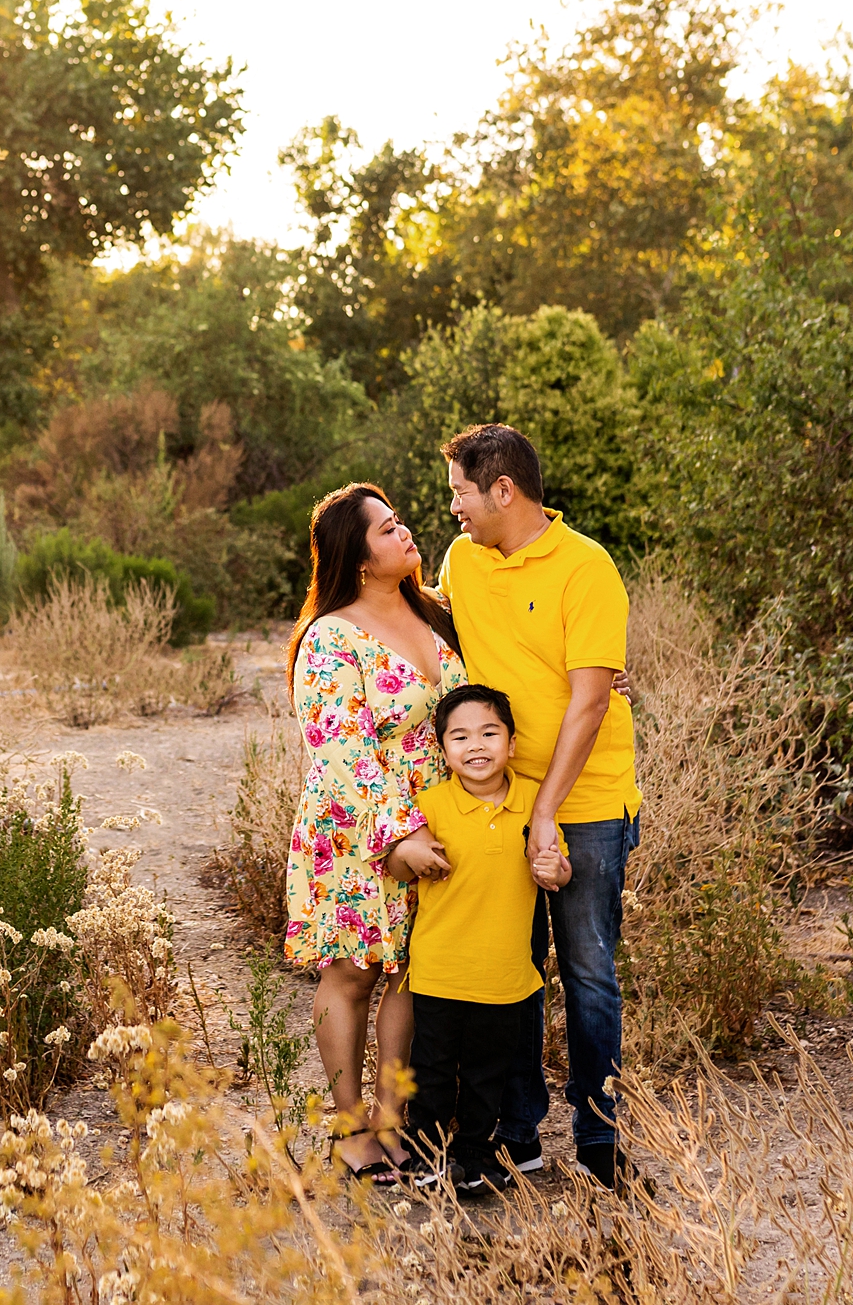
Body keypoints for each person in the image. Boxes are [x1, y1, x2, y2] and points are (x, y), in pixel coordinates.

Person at [436, 424, 639, 1190]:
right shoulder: (464, 560)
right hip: (498, 804)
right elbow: (435, 628)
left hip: (584, 804)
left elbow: (588, 707)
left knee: (587, 974)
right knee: (509, 972)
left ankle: (599, 1148)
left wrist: (546, 813)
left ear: (502, 491)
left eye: (459, 490)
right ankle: (512, 1137)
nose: (452, 506)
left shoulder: (587, 569)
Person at [284, 482, 468, 1180]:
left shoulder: (437, 612)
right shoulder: (330, 636)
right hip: (357, 825)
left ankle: (396, 1123)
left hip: (441, 818)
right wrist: (397, 836)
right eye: (388, 530)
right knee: (354, 971)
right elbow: (341, 749)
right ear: (357, 558)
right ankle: (348, 1124)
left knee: (414, 971)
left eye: (401, 524)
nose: (407, 535)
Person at [394, 683, 567, 1196]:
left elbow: (560, 871)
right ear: (443, 749)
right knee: (432, 1069)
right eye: (460, 736)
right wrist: (411, 854)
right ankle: (425, 1153)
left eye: (490, 733)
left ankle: (473, 1154)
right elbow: (398, 866)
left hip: (505, 975)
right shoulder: (430, 805)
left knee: (488, 1073)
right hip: (440, 970)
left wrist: (553, 869)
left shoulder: (535, 803)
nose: (476, 746)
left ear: (512, 743)